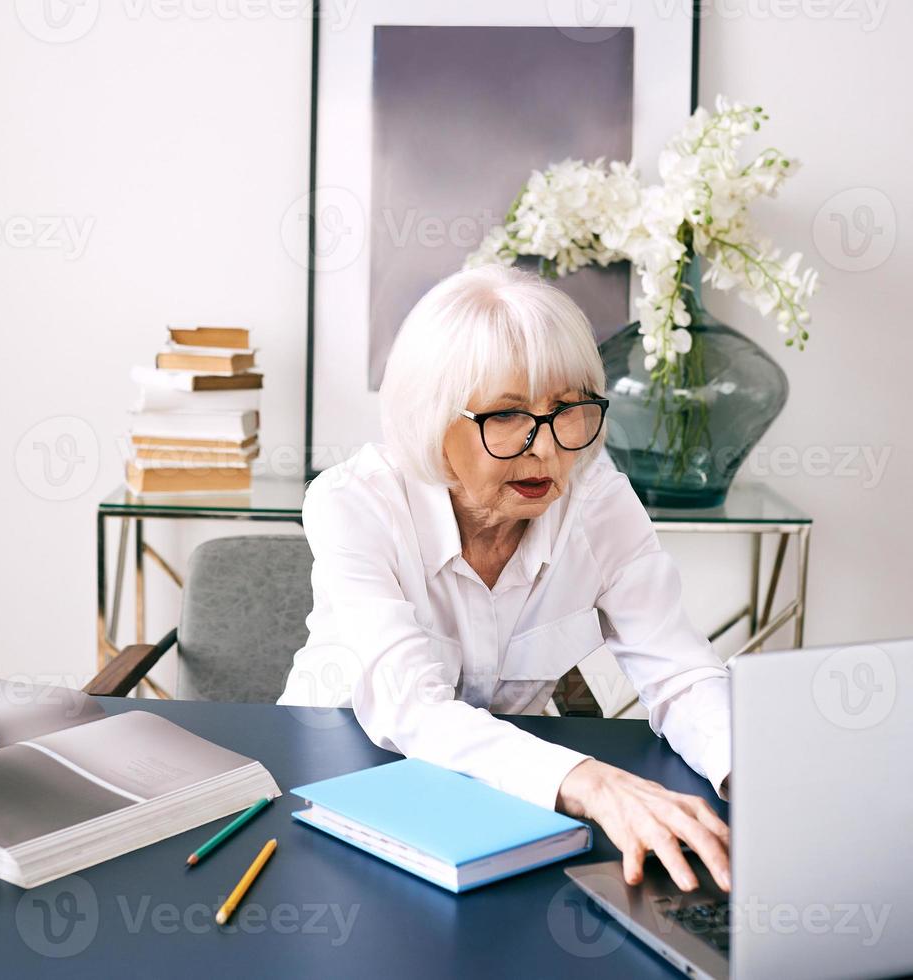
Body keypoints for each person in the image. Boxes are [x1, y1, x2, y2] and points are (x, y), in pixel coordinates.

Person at [279, 264, 732, 892]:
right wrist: (592, 781)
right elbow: (411, 705)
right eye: (509, 415)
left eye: (568, 410)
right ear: (433, 422)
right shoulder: (354, 502)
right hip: (335, 788)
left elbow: (679, 669)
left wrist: (747, 772)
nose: (546, 449)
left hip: (498, 801)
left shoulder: (597, 501)